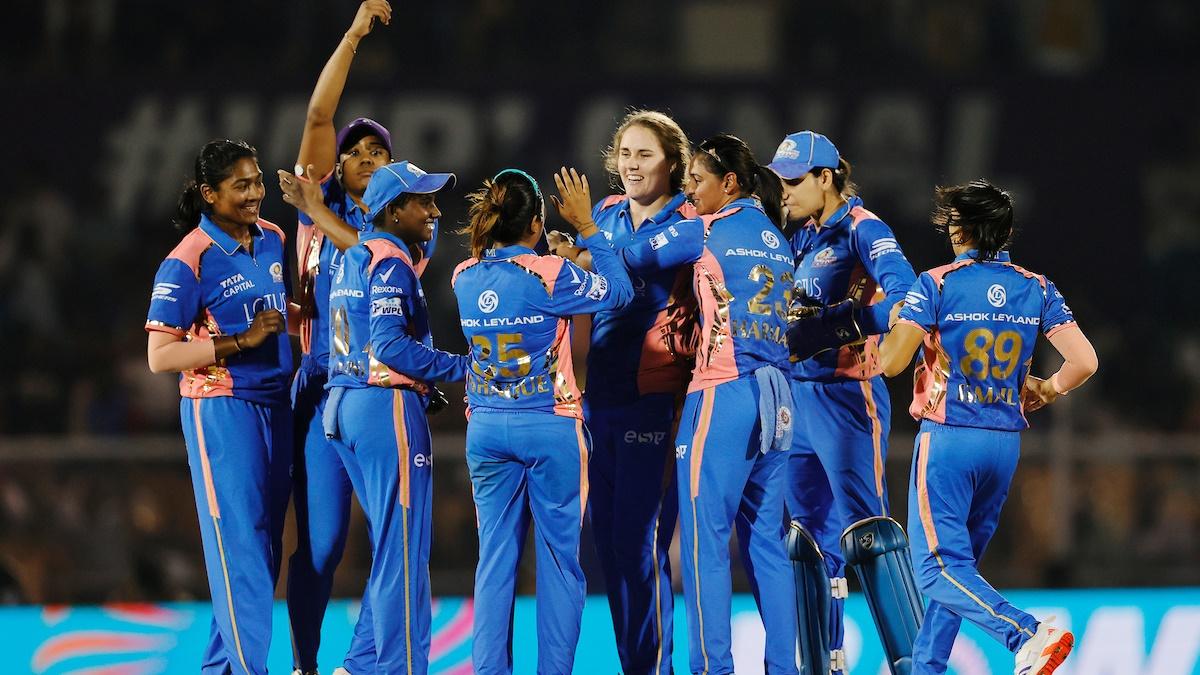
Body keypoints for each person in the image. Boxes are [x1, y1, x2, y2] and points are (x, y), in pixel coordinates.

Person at [879, 179, 1098, 675]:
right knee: (958, 574)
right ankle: (926, 668)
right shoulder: (1037, 287)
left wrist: (892, 320)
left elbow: (892, 363)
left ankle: (1025, 633)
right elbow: (1084, 361)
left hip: (949, 438)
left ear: (962, 229)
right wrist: (1049, 388)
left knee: (936, 571)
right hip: (1003, 444)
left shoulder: (936, 283)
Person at [617, 133, 799, 673]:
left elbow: (633, 254)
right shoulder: (777, 240)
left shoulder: (704, 230)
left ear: (731, 183)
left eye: (698, 180)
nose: (689, 191)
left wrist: (585, 232)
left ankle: (711, 669)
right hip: (778, 398)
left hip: (723, 393)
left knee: (703, 544)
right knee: (766, 545)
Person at [451, 167, 633, 674]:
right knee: (558, 563)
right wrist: (588, 230)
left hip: (486, 428)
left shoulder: (464, 276)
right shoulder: (551, 275)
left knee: (494, 562)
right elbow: (619, 293)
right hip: (549, 425)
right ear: (536, 222)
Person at [547, 109, 694, 674]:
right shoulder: (608, 213)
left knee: (641, 544)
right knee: (609, 549)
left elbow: (623, 287)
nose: (631, 165)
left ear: (673, 163)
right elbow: (592, 276)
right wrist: (579, 248)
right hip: (600, 400)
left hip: (654, 399)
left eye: (645, 155)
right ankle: (636, 665)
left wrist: (584, 241)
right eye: (625, 154)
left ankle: (655, 667)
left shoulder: (685, 221)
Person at [274, 3, 399, 672]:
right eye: (356, 153)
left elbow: (375, 259)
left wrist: (315, 207)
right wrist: (352, 35)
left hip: (377, 392)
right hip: (316, 389)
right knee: (321, 547)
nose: (365, 159)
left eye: (379, 152)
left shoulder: (408, 226)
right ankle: (304, 663)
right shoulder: (314, 218)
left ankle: (366, 661)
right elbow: (320, 117)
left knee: (391, 535)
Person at [767, 130, 920, 674]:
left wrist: (867, 330)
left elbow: (910, 295)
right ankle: (822, 666)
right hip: (797, 398)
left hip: (847, 400)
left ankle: (915, 666)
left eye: (792, 180)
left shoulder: (863, 229)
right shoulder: (801, 236)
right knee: (806, 544)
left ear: (826, 177)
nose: (782, 191)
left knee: (868, 536)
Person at [146, 139, 294, 675]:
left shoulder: (274, 239)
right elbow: (160, 356)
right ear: (209, 194)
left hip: (277, 405)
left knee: (260, 551)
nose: (256, 194)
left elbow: (278, 311)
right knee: (243, 551)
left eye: (257, 182)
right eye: (241, 185)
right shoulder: (188, 259)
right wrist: (239, 342)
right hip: (221, 408)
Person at [322, 160, 468, 675]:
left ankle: (359, 667)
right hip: (383, 406)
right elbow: (388, 345)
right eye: (422, 202)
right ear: (393, 210)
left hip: (342, 404)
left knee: (390, 547)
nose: (433, 210)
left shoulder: (354, 256)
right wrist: (463, 367)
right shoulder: (389, 261)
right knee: (405, 552)